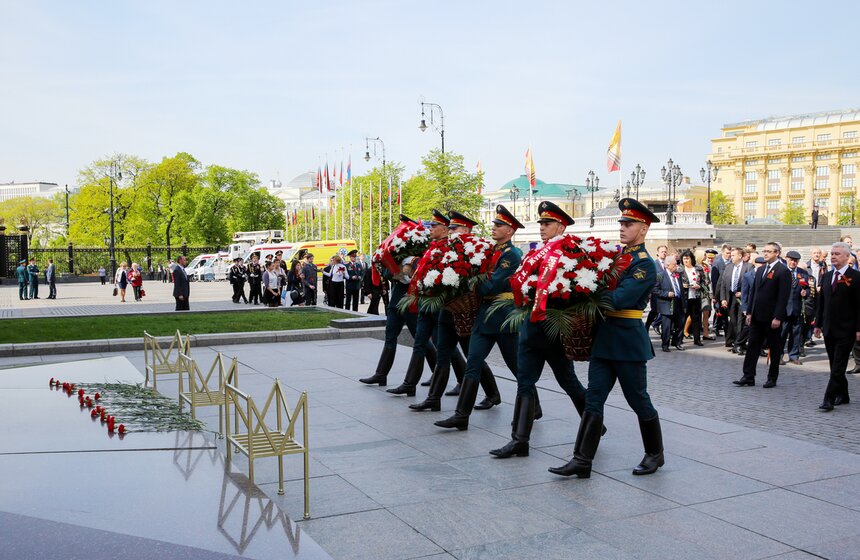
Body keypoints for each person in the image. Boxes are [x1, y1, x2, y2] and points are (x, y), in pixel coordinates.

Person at [549, 198, 664, 478]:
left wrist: (581, 294)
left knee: (637, 399)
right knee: (593, 399)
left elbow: (620, 298)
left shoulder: (644, 264)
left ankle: (655, 453)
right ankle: (582, 459)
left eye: (629, 223)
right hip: (603, 339)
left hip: (626, 342)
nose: (622, 227)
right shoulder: (615, 257)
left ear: (644, 229)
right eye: (621, 223)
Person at [490, 201, 591, 459]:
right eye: (541, 224)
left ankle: (594, 424)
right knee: (524, 381)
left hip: (554, 330)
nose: (542, 228)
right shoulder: (537, 252)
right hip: (531, 328)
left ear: (561, 225)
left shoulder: (571, 251)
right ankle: (519, 440)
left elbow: (579, 288)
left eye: (547, 224)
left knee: (568, 381)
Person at [435, 205, 523, 429]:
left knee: (517, 368)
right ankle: (461, 416)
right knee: (473, 363)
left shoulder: (511, 255)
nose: (494, 228)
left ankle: (533, 407)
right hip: (484, 316)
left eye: (499, 225)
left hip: (502, 317)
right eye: (494, 224)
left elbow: (492, 285)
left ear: (510, 231)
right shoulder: (491, 252)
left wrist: (469, 282)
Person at [410, 210, 497, 409]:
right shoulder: (446, 248)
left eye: (454, 228)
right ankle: (434, 399)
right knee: (443, 354)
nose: (450, 231)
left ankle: (492, 393)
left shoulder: (477, 248)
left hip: (465, 311)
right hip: (447, 308)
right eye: (449, 228)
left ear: (466, 229)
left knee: (472, 356)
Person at [359, 224, 440, 387]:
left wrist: (410, 270)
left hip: (410, 301)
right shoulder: (397, 252)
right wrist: (398, 271)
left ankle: (437, 373)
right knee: (390, 336)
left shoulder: (423, 252)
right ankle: (381, 374)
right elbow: (388, 273)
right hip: (396, 300)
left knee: (420, 339)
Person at [386, 210, 452, 396]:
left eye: (434, 225)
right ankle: (410, 384)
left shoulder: (450, 248)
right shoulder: (432, 246)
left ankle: (464, 383)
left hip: (438, 304)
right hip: (423, 303)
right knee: (420, 344)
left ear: (445, 229)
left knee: (446, 347)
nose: (430, 228)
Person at [733, 242, 791, 388]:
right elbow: (754, 293)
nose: (765, 254)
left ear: (777, 253)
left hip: (772, 317)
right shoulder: (760, 270)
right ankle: (748, 376)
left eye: (769, 251)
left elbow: (783, 296)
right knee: (752, 345)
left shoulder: (783, 271)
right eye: (764, 251)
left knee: (774, 348)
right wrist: (750, 312)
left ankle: (772, 377)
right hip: (757, 316)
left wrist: (778, 316)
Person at [815, 242, 860, 411]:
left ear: (847, 257)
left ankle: (829, 399)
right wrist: (818, 324)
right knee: (835, 364)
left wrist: (858, 329)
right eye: (832, 253)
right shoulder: (827, 276)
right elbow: (822, 303)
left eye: (837, 254)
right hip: (828, 328)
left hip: (846, 329)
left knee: (838, 365)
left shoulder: (855, 277)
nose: (833, 256)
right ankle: (844, 394)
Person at [719, 247, 753, 353]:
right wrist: (723, 298)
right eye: (731, 255)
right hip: (731, 297)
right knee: (733, 321)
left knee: (741, 321)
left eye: (733, 255)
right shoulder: (728, 267)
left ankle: (739, 344)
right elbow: (723, 284)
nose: (731, 257)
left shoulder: (748, 267)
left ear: (740, 256)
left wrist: (743, 293)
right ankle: (736, 342)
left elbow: (752, 284)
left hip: (743, 298)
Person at [782, 251, 809, 365]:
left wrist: (805, 292)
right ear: (786, 259)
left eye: (795, 261)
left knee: (796, 333)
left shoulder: (803, 273)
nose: (793, 262)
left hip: (797, 308)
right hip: (783, 309)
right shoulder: (782, 271)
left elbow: (808, 288)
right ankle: (778, 356)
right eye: (791, 260)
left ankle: (794, 356)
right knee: (781, 334)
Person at [654, 255, 685, 352]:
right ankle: (665, 344)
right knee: (667, 326)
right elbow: (654, 289)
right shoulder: (660, 275)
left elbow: (681, 288)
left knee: (680, 324)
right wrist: (666, 294)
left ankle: (677, 342)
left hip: (678, 302)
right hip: (667, 304)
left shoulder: (678, 274)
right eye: (674, 265)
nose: (676, 266)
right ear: (667, 265)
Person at [679, 250, 704, 346]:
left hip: (695, 297)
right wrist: (682, 285)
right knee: (682, 319)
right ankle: (679, 339)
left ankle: (697, 339)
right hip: (684, 298)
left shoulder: (698, 269)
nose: (685, 260)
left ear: (691, 259)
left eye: (687, 258)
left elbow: (704, 283)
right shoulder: (679, 270)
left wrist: (699, 286)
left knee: (696, 319)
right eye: (684, 259)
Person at [644, 245, 667, 333]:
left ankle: (662, 327)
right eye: (662, 252)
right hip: (655, 291)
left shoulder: (668, 263)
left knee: (665, 312)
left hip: (665, 290)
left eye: (665, 252)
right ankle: (647, 325)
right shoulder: (654, 264)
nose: (664, 253)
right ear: (658, 253)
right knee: (654, 311)